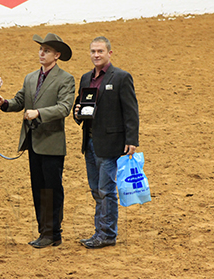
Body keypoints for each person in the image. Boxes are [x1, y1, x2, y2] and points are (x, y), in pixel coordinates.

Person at [0, 33, 75, 249]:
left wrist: (38, 113)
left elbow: (64, 108)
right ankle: (44, 232)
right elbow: (20, 100)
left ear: (57, 55)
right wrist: (5, 103)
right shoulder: (30, 78)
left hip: (52, 142)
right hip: (34, 141)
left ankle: (53, 232)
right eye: (41, 49)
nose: (41, 53)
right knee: (38, 188)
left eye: (47, 50)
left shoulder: (65, 79)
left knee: (52, 189)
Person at [73, 36, 139, 249]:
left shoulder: (121, 77)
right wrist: (77, 114)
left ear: (109, 53)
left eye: (100, 51)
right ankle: (99, 232)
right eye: (93, 51)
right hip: (90, 142)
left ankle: (107, 234)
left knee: (106, 189)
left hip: (110, 143)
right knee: (96, 189)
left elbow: (131, 111)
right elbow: (81, 107)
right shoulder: (85, 78)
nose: (96, 55)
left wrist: (132, 139)